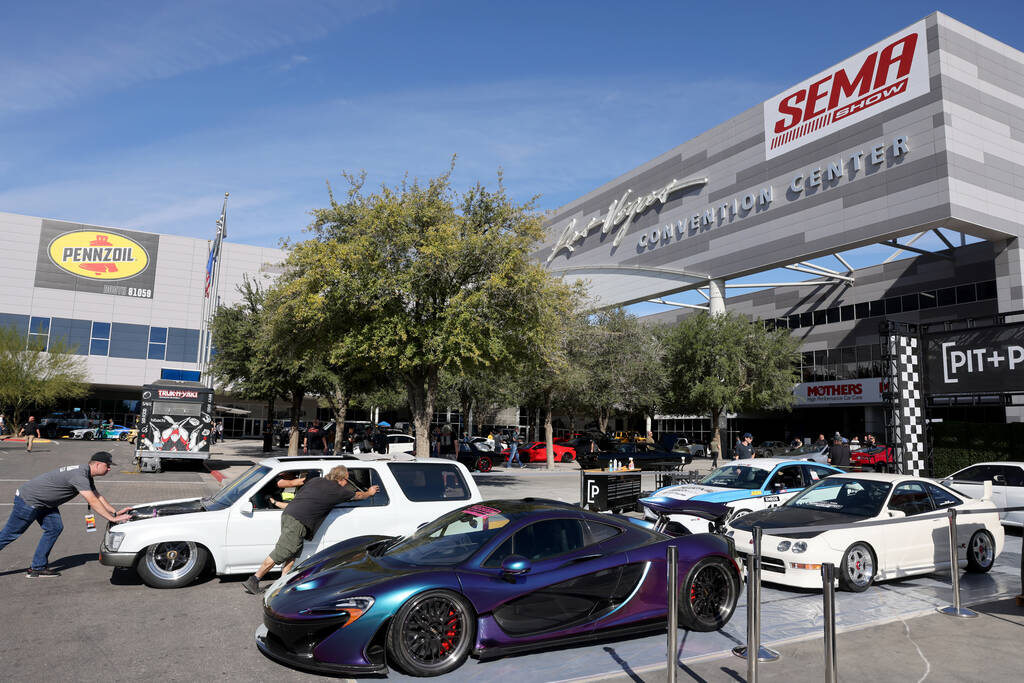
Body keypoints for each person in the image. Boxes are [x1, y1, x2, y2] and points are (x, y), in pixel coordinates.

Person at [243, 466, 378, 594]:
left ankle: (282, 583)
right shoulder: (338, 491)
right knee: (283, 551)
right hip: (299, 520)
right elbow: (358, 496)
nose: (347, 483)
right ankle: (254, 580)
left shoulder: (316, 480)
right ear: (341, 479)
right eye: (347, 480)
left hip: (289, 514)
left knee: (293, 551)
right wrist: (369, 492)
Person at [0, 452, 131, 577]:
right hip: (29, 501)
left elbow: (97, 496)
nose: (109, 469)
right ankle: (37, 567)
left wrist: (114, 512)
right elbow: (92, 500)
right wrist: (112, 518)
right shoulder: (80, 475)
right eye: (107, 465)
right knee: (9, 534)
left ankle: (37, 567)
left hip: (45, 504)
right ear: (97, 464)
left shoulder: (86, 473)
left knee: (54, 528)